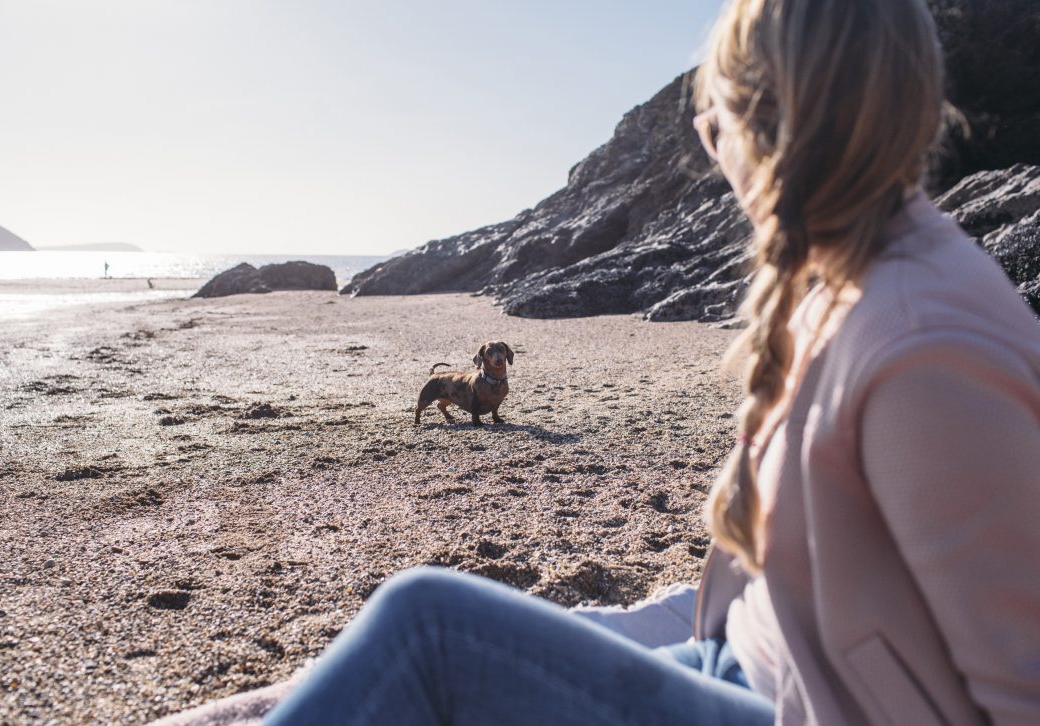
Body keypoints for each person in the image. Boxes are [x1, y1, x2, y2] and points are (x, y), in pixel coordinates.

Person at [266, 0, 1040, 723]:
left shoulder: (925, 345)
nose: (709, 141)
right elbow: (785, 596)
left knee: (426, 626)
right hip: (745, 661)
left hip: (790, 701)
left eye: (715, 119)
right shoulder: (853, 280)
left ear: (761, 123)